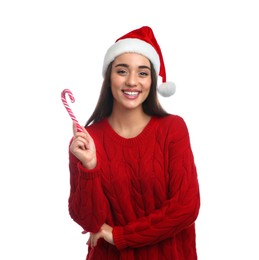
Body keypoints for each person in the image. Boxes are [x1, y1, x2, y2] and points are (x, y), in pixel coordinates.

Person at [68, 26, 200, 259]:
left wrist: (121, 236)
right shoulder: (87, 140)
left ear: (151, 80)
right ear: (109, 76)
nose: (132, 82)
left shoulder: (173, 129)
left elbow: (185, 207)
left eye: (142, 73)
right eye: (122, 71)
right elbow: (89, 221)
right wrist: (89, 167)